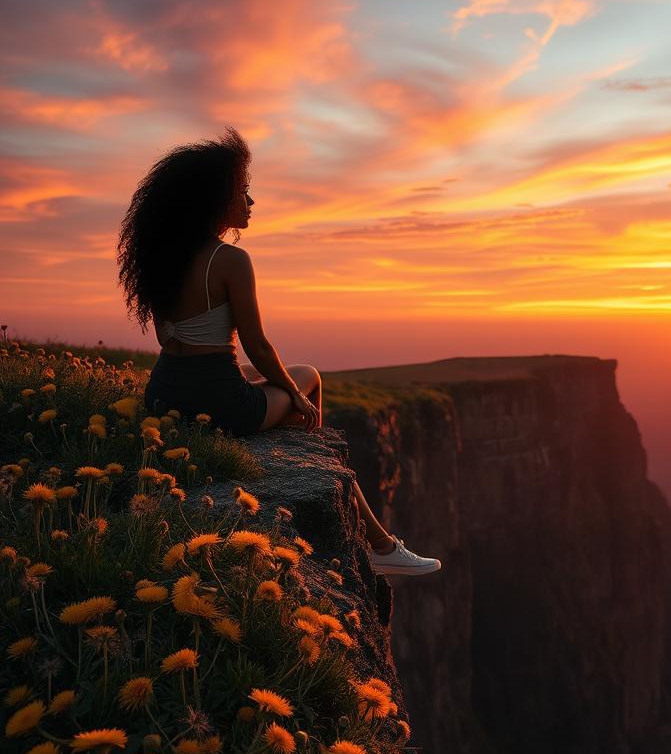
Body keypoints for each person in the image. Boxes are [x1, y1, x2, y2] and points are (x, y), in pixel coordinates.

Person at [117, 126, 440, 578]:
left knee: (267, 375)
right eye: (243, 192)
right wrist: (296, 394)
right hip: (221, 403)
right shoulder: (228, 260)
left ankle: (378, 538)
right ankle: (376, 541)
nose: (251, 203)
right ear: (216, 199)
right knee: (307, 374)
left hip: (164, 393)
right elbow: (258, 345)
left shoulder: (162, 260)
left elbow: (181, 342)